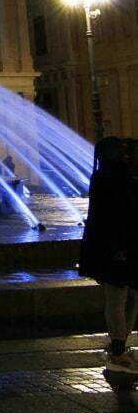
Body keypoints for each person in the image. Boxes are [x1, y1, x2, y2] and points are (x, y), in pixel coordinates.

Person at [78, 137, 138, 374]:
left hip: (125, 246)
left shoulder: (117, 178)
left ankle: (120, 341)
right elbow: (111, 217)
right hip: (115, 248)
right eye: (122, 152)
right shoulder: (109, 180)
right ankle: (118, 349)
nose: (127, 155)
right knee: (118, 296)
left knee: (130, 295)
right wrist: (117, 248)